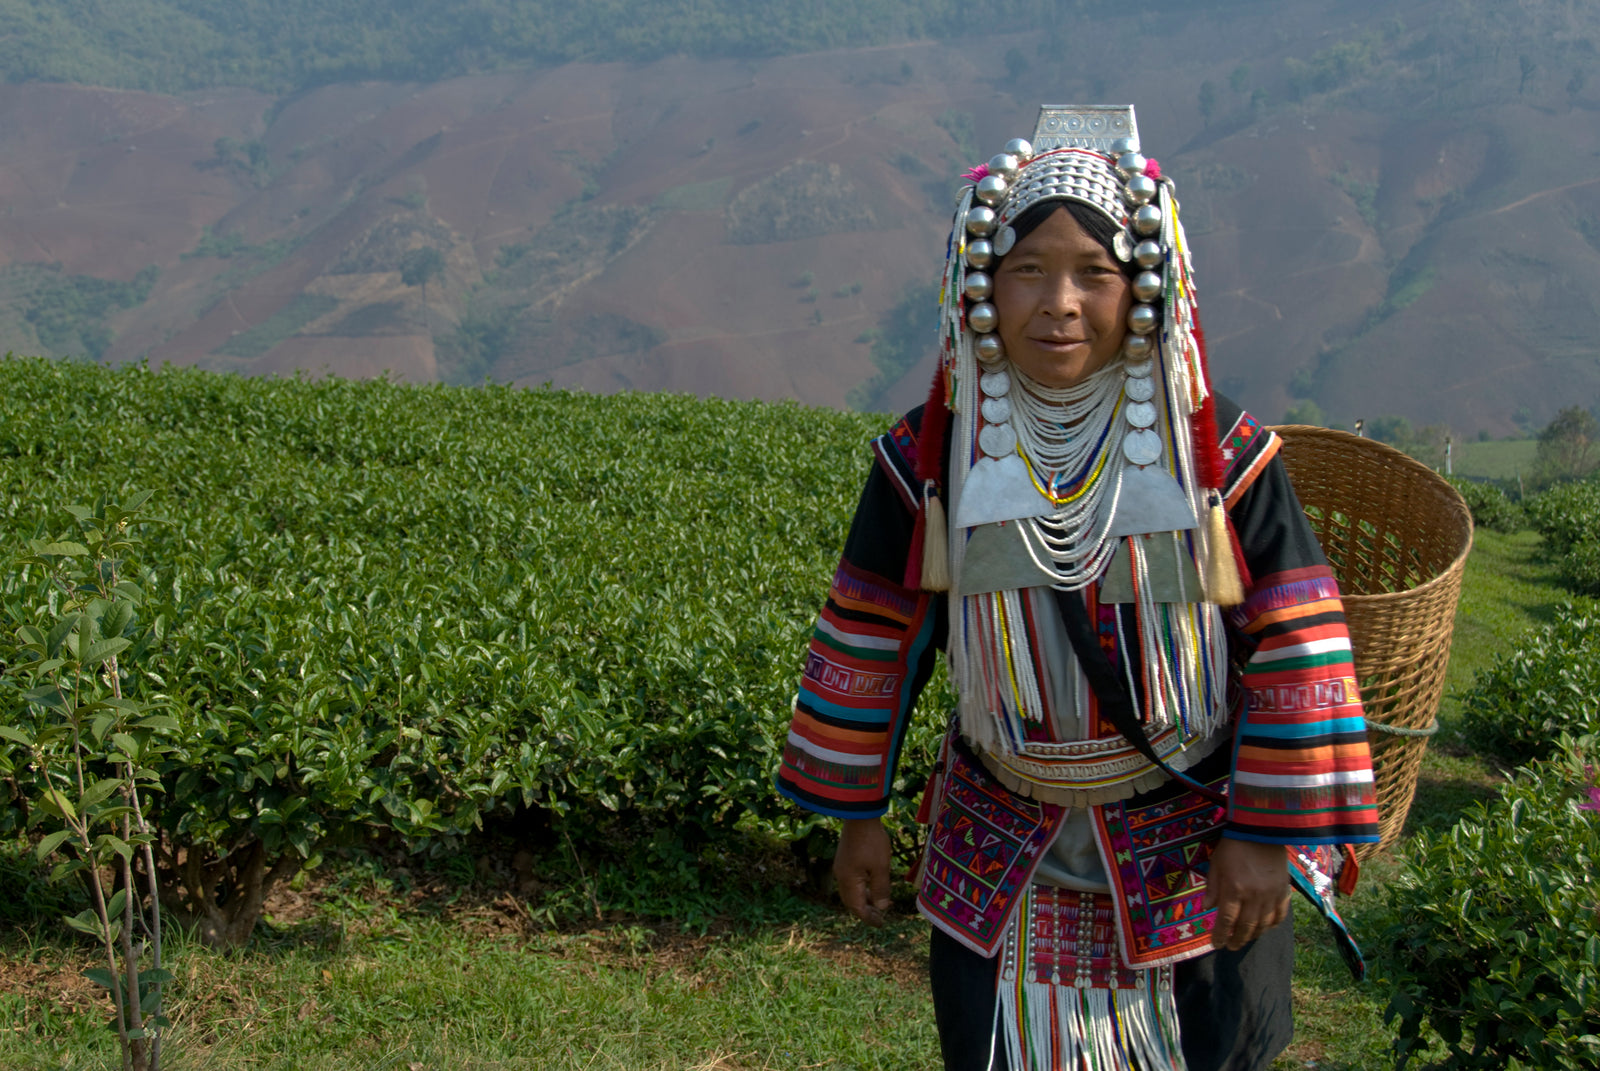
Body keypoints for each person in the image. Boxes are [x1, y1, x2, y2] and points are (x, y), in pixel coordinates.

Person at [776, 105, 1380, 1071]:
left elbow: (1299, 641)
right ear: (980, 285)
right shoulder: (930, 461)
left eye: (1094, 273)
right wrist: (859, 818)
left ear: (1145, 287)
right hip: (1000, 842)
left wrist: (1264, 834)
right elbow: (873, 636)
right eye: (1027, 270)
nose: (1059, 303)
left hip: (1194, 850)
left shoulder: (1219, 457)